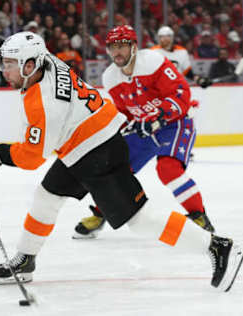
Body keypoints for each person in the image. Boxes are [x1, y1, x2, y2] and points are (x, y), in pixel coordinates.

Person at [0, 31, 243, 292]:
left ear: (29, 66)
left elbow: (31, 157)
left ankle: (219, 247)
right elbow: (27, 44)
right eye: (3, 63)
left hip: (98, 152)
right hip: (84, 143)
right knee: (47, 196)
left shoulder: (46, 104)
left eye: (9, 65)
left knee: (141, 220)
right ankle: (26, 259)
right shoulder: (44, 59)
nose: (4, 72)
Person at [73, 25, 216, 239]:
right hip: (145, 129)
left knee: (168, 169)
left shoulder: (152, 62)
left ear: (134, 46)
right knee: (115, 168)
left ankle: (199, 216)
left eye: (122, 46)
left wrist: (159, 116)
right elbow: (122, 113)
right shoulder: (110, 77)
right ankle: (102, 212)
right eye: (112, 47)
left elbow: (181, 93)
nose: (117, 52)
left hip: (175, 124)